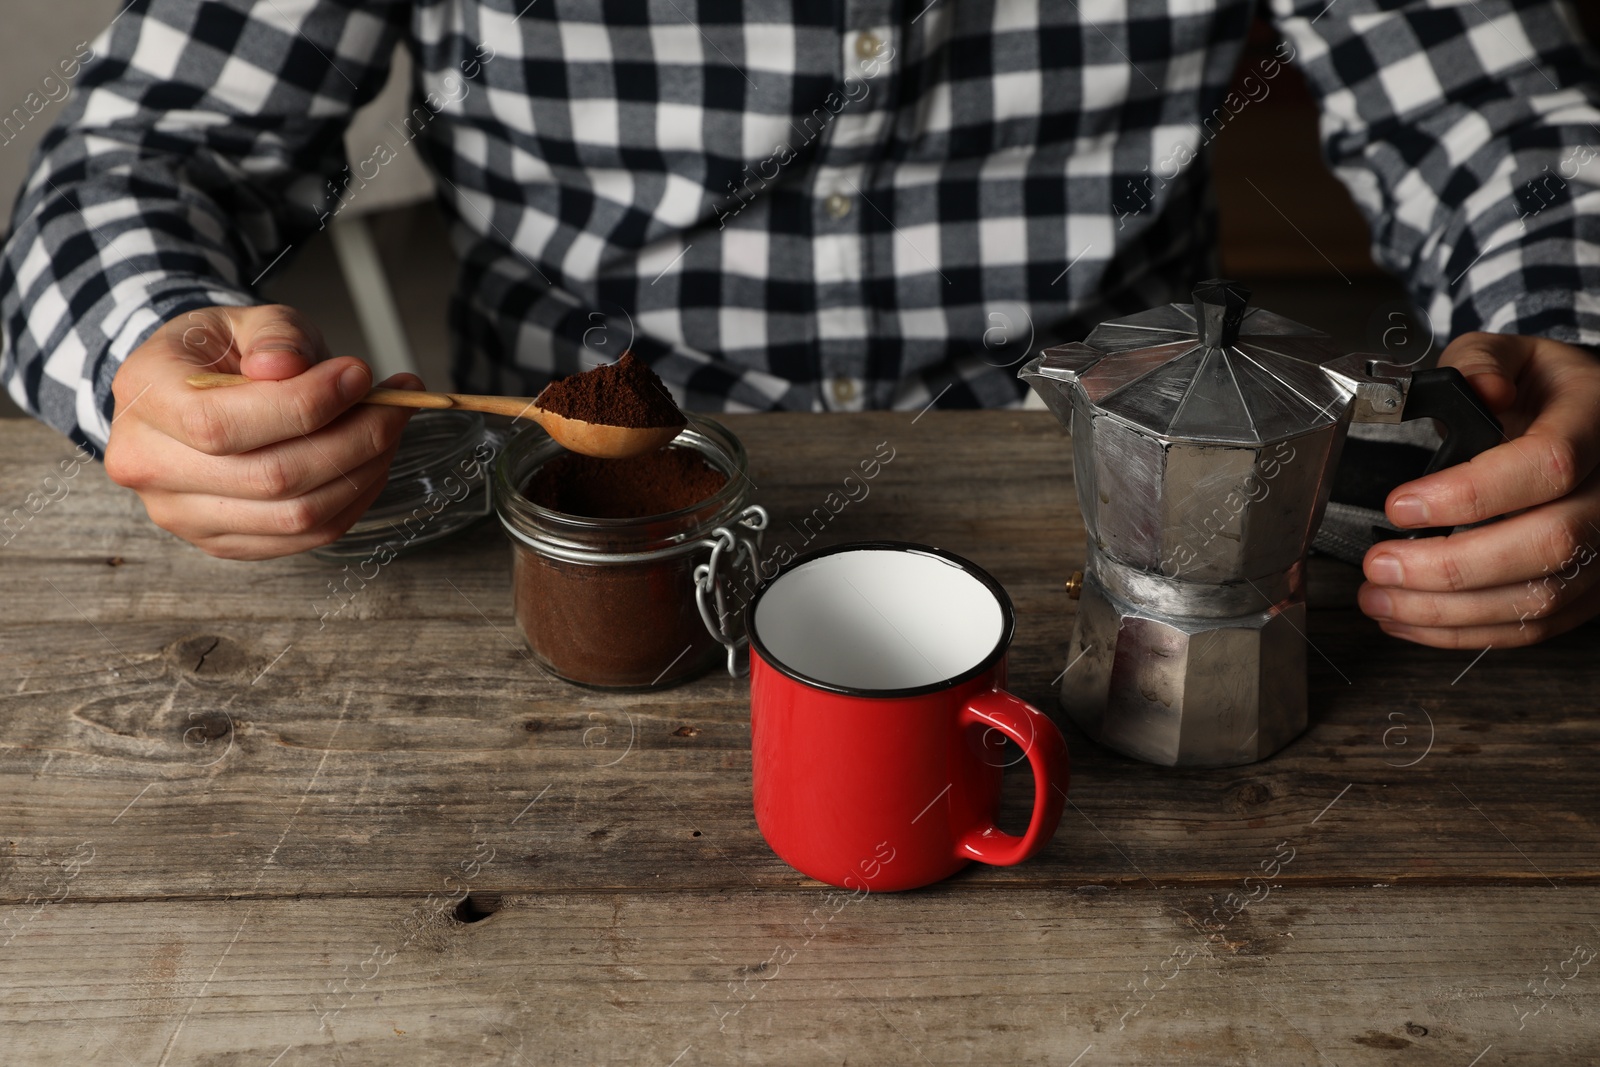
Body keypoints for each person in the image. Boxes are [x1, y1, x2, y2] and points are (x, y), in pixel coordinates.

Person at [2, 0, 1597, 650]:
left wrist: (1572, 333)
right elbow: (149, 147)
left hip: (1120, 541)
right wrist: (140, 343)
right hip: (559, 551)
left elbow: (1506, 118)